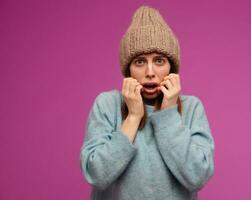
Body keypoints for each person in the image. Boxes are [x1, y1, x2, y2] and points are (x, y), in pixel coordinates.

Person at [80, 5, 215, 200]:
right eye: (140, 61)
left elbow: (198, 177)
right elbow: (97, 174)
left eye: (159, 61)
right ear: (128, 69)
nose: (150, 72)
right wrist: (133, 117)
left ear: (172, 68)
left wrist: (168, 115)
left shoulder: (191, 108)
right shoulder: (107, 105)